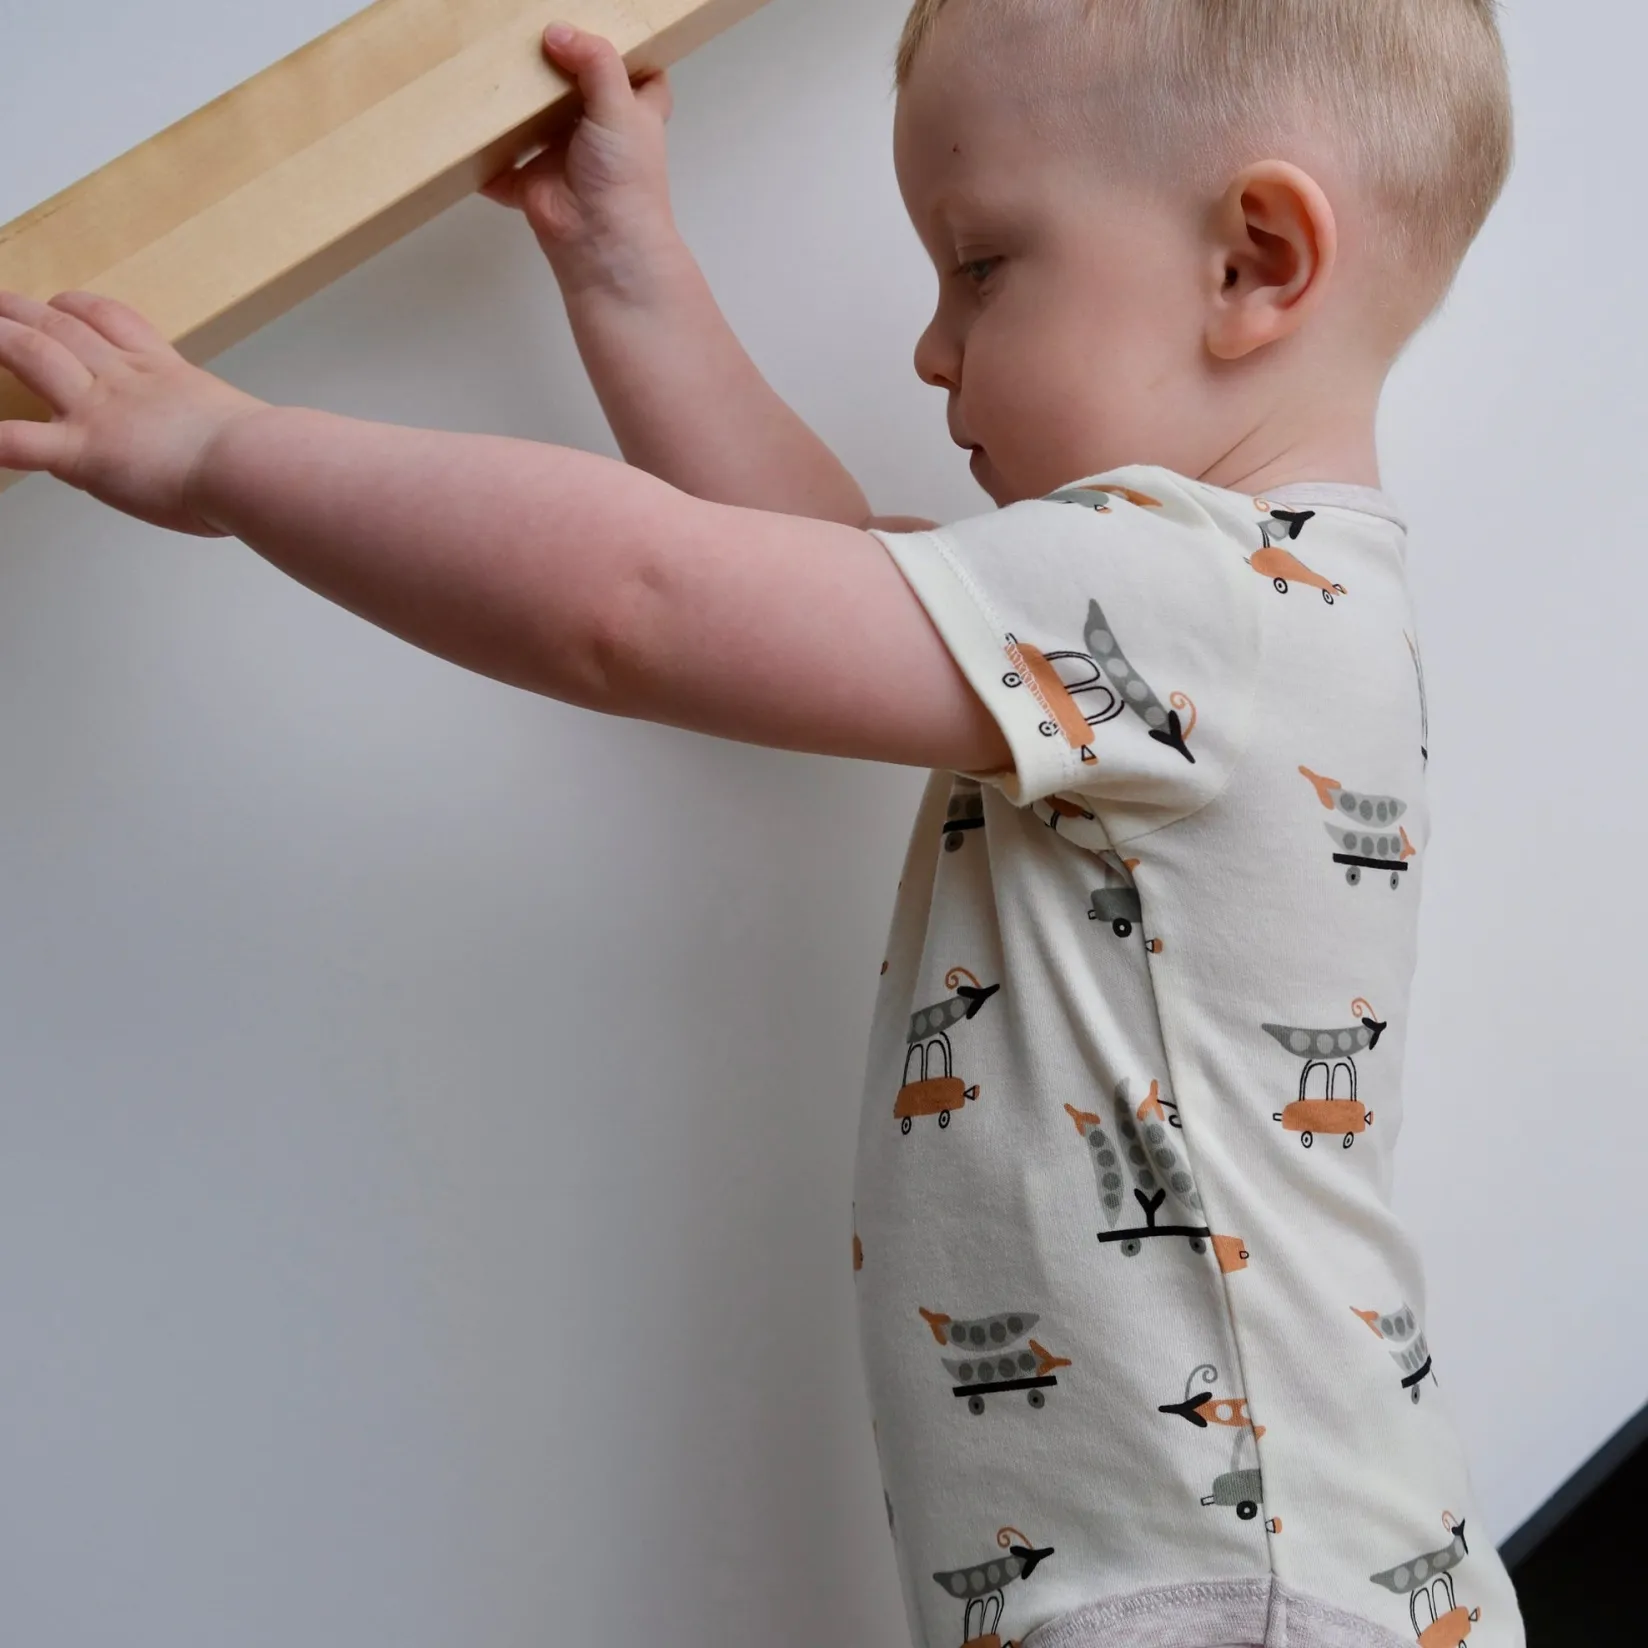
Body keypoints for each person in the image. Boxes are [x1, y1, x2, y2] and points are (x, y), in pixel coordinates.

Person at [0, 1, 1523, 1643]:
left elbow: (644, 601)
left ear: (1254, 263)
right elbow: (799, 564)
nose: (933, 348)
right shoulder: (1244, 610)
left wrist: (226, 452)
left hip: (1243, 1600)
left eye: (983, 264)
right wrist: (626, 268)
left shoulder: (1192, 599)